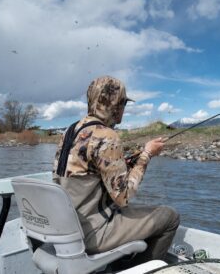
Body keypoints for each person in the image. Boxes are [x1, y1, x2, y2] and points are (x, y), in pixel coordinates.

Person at [52, 76, 180, 264]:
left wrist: (127, 163)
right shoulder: (106, 136)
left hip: (67, 229)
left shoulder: (70, 131)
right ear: (114, 105)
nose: (123, 110)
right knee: (170, 217)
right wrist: (147, 155)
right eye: (123, 104)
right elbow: (124, 197)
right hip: (93, 233)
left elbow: (89, 172)